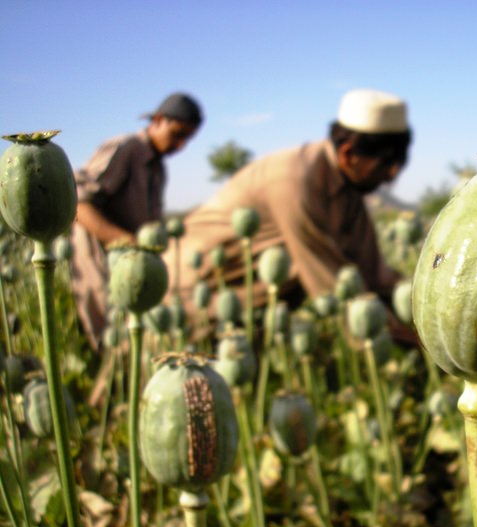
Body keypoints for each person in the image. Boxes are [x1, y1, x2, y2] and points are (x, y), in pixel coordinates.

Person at [164, 88, 415, 343]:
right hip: (186, 305)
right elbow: (334, 289)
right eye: (387, 164)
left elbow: (374, 275)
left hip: (245, 319)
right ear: (349, 154)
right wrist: (421, 345)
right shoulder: (293, 182)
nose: (392, 176)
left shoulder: (349, 191)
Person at [70, 93, 202, 350]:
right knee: (111, 343)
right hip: (102, 263)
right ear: (159, 120)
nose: (181, 145)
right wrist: (126, 242)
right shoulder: (127, 149)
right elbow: (78, 202)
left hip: (132, 267)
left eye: (187, 138)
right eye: (178, 134)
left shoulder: (158, 168)